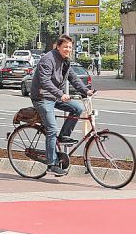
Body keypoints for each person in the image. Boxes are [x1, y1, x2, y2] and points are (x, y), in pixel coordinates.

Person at [28, 34, 95, 176]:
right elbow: (45, 81)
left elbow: (73, 78)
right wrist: (60, 94)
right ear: (57, 46)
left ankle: (64, 135)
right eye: (65, 46)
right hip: (42, 97)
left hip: (54, 96)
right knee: (52, 129)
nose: (68, 49)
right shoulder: (48, 59)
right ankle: (51, 164)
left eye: (70, 47)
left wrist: (86, 90)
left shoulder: (65, 61)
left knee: (77, 108)